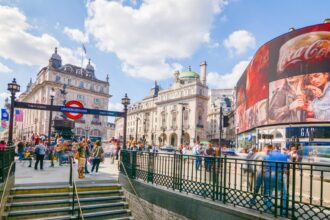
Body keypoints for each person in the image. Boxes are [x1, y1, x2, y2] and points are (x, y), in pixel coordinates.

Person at [263, 145, 289, 213]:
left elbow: (265, 166)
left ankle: (268, 207)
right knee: (283, 192)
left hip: (268, 174)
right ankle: (283, 208)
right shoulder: (283, 156)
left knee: (268, 190)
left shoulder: (267, 156)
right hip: (278, 174)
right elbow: (285, 168)